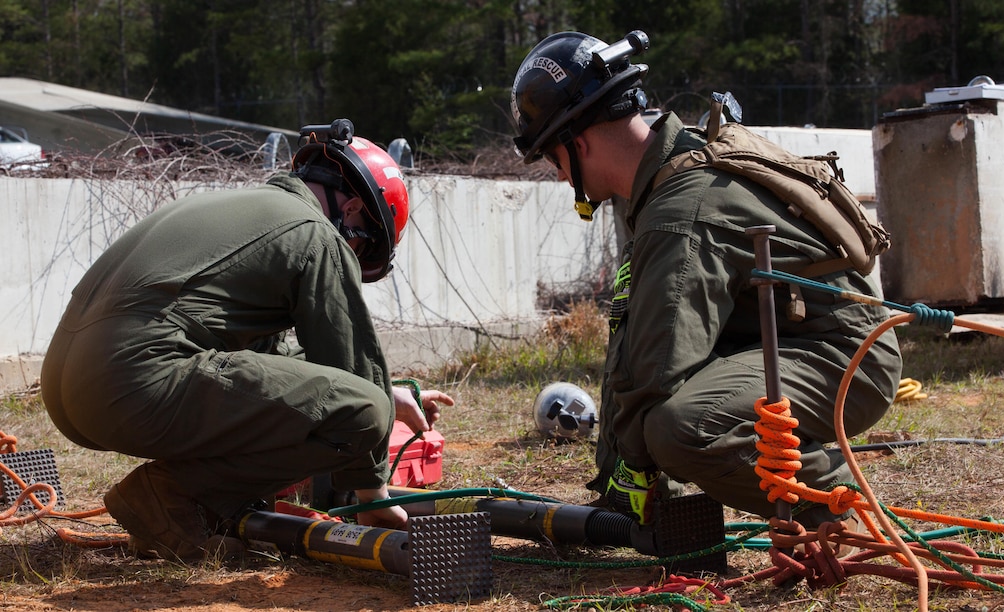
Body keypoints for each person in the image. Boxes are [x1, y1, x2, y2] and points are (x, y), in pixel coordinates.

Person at [510, 31, 903, 528]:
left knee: (681, 427)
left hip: (846, 357)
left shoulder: (681, 209)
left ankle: (835, 507)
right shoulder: (669, 176)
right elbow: (634, 346)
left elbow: (656, 373)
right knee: (669, 417)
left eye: (553, 157)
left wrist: (631, 478)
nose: (561, 176)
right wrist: (622, 482)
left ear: (578, 142)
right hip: (798, 340)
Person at [40, 119, 454, 561]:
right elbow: (349, 373)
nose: (350, 254)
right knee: (363, 415)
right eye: (360, 248)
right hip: (136, 383)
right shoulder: (316, 234)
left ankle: (174, 504)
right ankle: (169, 497)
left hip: (71, 392)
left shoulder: (238, 208)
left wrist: (390, 392)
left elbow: (267, 358)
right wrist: (372, 495)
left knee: (364, 401)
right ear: (351, 210)